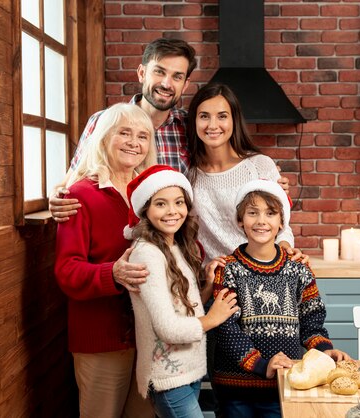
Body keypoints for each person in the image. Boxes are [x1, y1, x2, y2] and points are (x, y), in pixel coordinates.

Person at [211, 179, 350, 418]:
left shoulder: (299, 270)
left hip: (285, 386)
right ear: (240, 221)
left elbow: (312, 322)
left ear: (281, 222)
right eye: (252, 213)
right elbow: (226, 329)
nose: (261, 221)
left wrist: (325, 351)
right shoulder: (229, 270)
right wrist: (261, 365)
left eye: (270, 213)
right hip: (236, 389)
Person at [54, 103, 158, 418]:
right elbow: (67, 270)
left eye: (142, 136)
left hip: (148, 337)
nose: (133, 142)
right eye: (123, 133)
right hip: (100, 338)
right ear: (103, 137)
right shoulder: (80, 195)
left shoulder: (152, 194)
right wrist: (112, 273)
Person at [124, 165, 239, 417]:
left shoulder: (174, 245)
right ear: (145, 209)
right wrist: (212, 318)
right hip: (168, 376)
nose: (172, 211)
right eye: (161, 204)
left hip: (189, 368)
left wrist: (206, 289)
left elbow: (181, 308)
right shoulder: (147, 254)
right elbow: (167, 328)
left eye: (179, 202)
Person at [50, 37, 197, 221]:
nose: (167, 84)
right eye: (159, 72)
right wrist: (57, 197)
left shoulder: (190, 126)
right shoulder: (102, 121)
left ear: (185, 85)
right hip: (111, 232)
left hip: (170, 235)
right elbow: (71, 180)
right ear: (142, 73)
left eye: (177, 76)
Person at [186, 82, 302, 266]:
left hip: (260, 272)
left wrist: (286, 249)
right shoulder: (188, 176)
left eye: (222, 116)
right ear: (194, 121)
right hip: (213, 280)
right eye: (204, 116)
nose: (213, 125)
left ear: (234, 120)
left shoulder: (259, 165)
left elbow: (281, 224)